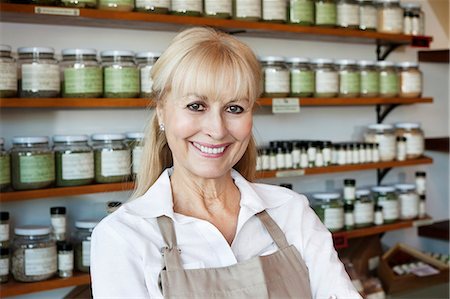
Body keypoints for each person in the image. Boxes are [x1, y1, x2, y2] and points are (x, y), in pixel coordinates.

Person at [91, 27, 361, 299]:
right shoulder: (123, 237)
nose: (217, 129)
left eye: (234, 108)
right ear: (162, 112)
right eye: (196, 106)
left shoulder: (291, 212)